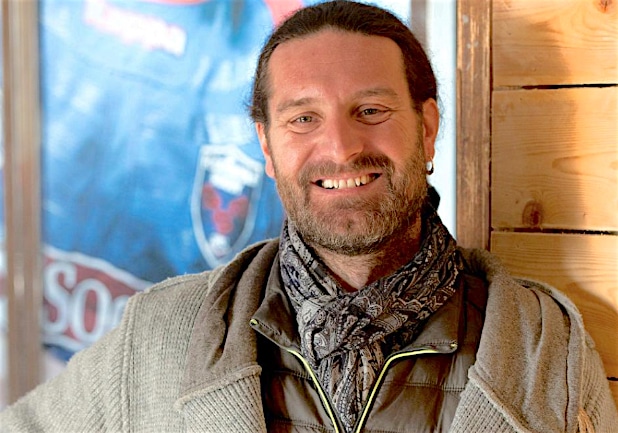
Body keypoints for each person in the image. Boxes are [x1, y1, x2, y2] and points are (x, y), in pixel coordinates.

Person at [1, 1, 617, 432]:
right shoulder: (159, 336)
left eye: (371, 110)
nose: (341, 148)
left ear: (427, 128)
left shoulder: (547, 353)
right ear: (267, 148)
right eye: (303, 118)